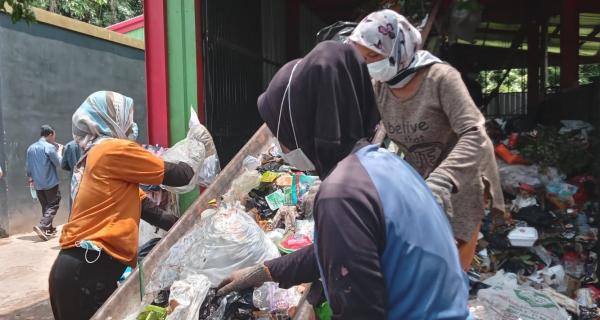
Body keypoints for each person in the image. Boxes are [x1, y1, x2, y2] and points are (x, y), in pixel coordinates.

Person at [217, 41, 468, 318]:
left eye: (281, 131)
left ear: (302, 126)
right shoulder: (386, 165)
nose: (280, 144)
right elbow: (344, 249)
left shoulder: (341, 193)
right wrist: (264, 272)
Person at [348, 10, 504, 269]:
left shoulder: (440, 78)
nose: (369, 64)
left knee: (449, 270)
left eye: (374, 56)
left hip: (458, 183)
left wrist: (442, 181)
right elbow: (369, 135)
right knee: (420, 265)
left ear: (400, 47)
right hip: (420, 185)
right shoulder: (380, 87)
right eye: (362, 58)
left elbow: (474, 133)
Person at [48, 91, 194, 320]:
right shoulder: (112, 149)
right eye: (127, 117)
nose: (130, 125)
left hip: (79, 272)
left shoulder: (102, 160)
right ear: (110, 118)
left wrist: (186, 227)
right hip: (86, 273)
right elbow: (179, 175)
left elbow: (150, 211)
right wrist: (195, 151)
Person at [26, 124, 63, 241]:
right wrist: (60, 151)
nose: (54, 138)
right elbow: (59, 163)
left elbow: (28, 167)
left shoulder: (30, 148)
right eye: (54, 135)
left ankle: (48, 229)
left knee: (46, 206)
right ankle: (42, 226)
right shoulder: (49, 147)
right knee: (54, 203)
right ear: (50, 134)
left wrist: (30, 179)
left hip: (37, 183)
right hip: (50, 181)